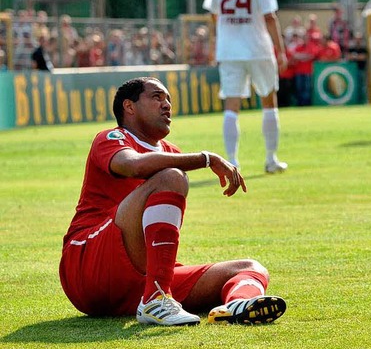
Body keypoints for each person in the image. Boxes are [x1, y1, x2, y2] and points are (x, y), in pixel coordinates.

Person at [59, 77, 286, 326]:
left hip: (136, 281)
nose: (167, 105)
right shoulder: (113, 137)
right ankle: (157, 298)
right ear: (129, 107)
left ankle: (236, 305)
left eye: (168, 99)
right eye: (157, 97)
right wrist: (206, 159)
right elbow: (133, 166)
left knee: (250, 268)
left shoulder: (171, 152)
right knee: (171, 177)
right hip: (88, 265)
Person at [202, 0, 288, 173]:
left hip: (229, 50)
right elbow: (270, 17)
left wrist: (213, 46)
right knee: (269, 101)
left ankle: (233, 162)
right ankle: (271, 159)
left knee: (232, 105)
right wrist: (280, 51)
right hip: (257, 48)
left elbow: (214, 15)